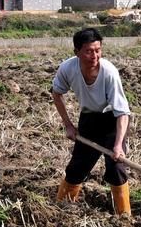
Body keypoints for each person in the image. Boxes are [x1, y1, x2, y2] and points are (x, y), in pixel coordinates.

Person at [52, 28, 131, 215]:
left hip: (112, 122)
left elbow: (123, 113)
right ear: (77, 52)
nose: (94, 55)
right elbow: (57, 94)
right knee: (77, 167)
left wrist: (118, 145)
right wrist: (69, 125)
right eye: (88, 51)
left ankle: (124, 215)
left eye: (98, 50)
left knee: (116, 169)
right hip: (88, 119)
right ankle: (61, 208)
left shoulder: (109, 73)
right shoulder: (68, 68)